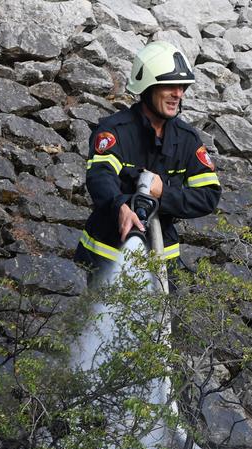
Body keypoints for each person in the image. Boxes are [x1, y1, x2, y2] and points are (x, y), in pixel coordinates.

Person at [75, 42, 221, 277]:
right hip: (106, 254)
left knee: (164, 314)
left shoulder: (187, 140)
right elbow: (100, 176)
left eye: (182, 86)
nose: (178, 93)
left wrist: (164, 192)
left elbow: (208, 196)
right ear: (147, 87)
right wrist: (120, 206)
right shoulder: (114, 131)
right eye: (170, 85)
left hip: (162, 262)